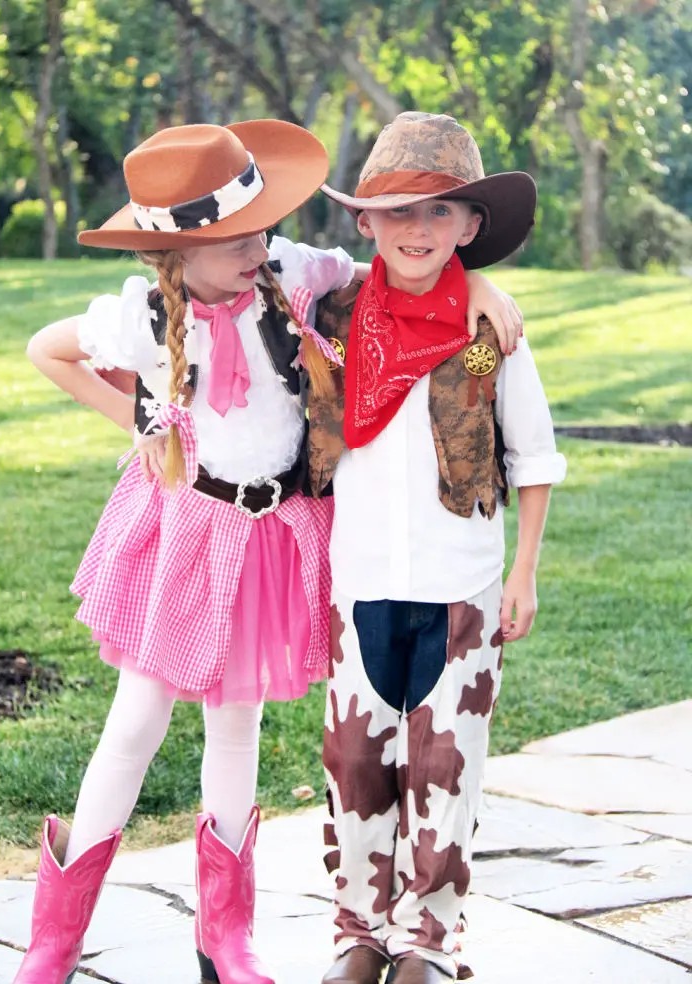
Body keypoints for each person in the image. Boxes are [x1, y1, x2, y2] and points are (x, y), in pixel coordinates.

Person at [13, 119, 520, 984]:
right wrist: (145, 424)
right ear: (178, 254)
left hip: (270, 536)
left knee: (235, 723)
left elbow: (387, 270)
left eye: (262, 224)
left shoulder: (291, 272)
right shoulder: (141, 316)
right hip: (187, 530)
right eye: (235, 237)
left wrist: (484, 296)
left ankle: (225, 938)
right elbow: (46, 349)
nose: (261, 243)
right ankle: (53, 941)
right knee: (137, 719)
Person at [307, 112, 567, 984]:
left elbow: (532, 452)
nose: (418, 230)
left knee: (444, 763)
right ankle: (360, 927)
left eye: (439, 212)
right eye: (397, 213)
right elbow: (241, 279)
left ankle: (429, 935)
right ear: (363, 223)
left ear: (469, 227)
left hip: (461, 583)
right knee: (354, 759)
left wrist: (524, 570)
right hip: (363, 578)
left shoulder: (489, 337)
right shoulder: (335, 320)